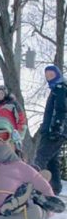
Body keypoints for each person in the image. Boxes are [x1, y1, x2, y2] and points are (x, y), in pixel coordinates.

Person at [35, 65, 67, 196]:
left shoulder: (60, 89)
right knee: (52, 161)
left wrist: (57, 127)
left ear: (57, 75)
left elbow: (61, 109)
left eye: (51, 75)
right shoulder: (55, 89)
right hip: (51, 130)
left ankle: (34, 185)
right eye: (47, 76)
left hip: (55, 131)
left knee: (41, 157)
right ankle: (55, 188)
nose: (49, 78)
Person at [0, 85, 27, 149]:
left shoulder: (12, 105)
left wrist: (19, 133)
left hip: (12, 135)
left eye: (1, 93)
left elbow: (21, 118)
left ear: (5, 93)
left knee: (13, 153)